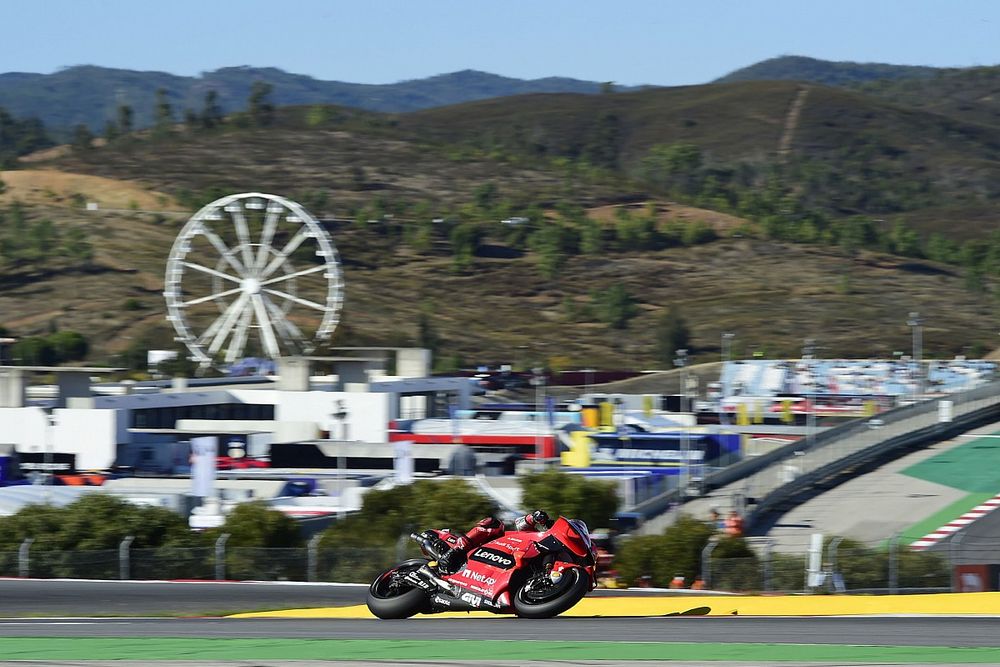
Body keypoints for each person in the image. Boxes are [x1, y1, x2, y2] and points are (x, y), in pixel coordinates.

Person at [436, 510, 550, 573]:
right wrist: (534, 517)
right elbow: (520, 524)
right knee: (495, 524)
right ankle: (451, 553)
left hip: (502, 565)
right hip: (495, 545)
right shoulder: (537, 536)